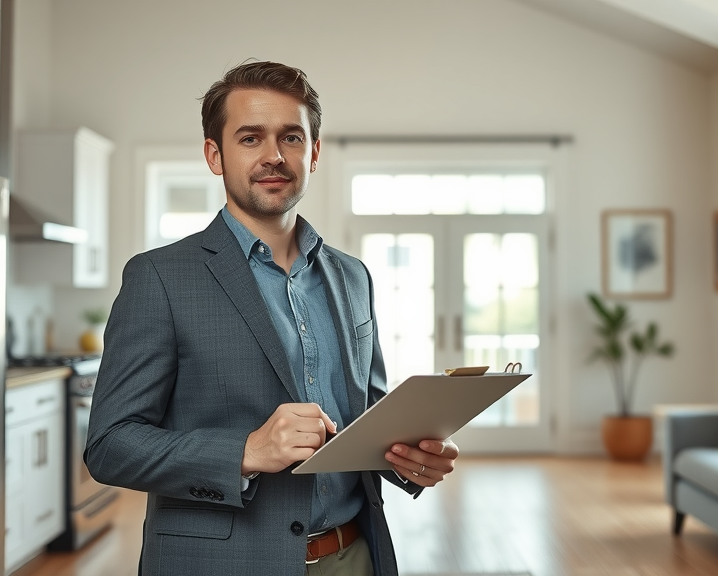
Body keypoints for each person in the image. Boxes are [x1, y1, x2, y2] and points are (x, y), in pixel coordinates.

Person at [85, 60, 459, 576]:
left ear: (315, 152)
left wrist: (412, 461)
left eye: (291, 137)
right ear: (215, 155)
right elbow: (110, 446)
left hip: (353, 557)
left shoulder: (354, 277)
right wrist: (247, 449)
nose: (274, 156)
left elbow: (367, 420)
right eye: (250, 138)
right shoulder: (160, 278)